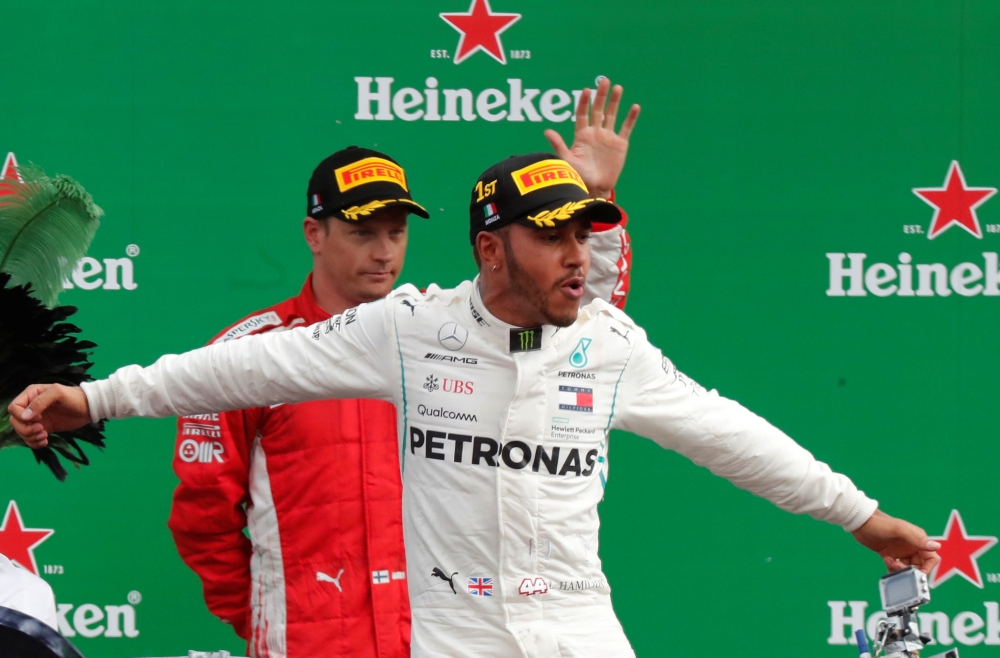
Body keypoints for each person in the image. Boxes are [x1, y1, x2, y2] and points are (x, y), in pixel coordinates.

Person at [8, 153, 940, 656]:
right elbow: (241, 373)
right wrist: (94, 398)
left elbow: (731, 436)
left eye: (586, 234)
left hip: (579, 629)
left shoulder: (608, 346)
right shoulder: (409, 331)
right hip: (453, 638)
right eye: (551, 237)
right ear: (490, 250)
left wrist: (860, 516)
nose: (577, 256)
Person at [166, 81, 640, 658]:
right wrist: (278, 618)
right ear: (314, 234)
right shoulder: (253, 351)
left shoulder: (446, 333)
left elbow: (575, 319)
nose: (384, 251)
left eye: (396, 231)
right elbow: (202, 520)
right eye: (363, 232)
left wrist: (595, 197)